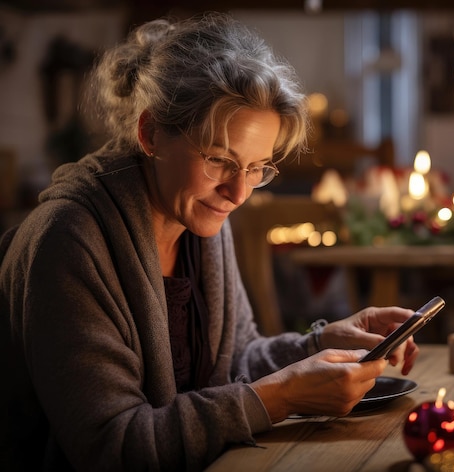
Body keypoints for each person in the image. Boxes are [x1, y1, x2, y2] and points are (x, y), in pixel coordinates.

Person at [0, 13, 419, 471]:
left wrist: (316, 346)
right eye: (219, 159)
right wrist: (278, 399)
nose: (238, 193)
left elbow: (235, 361)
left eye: (257, 167)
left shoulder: (197, 216)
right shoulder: (68, 242)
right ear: (151, 133)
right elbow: (113, 446)